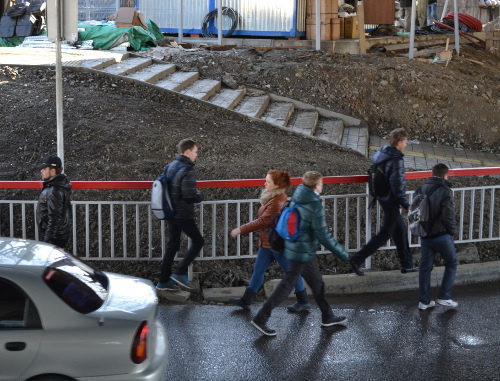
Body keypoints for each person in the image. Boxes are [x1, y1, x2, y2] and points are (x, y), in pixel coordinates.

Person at [251, 171, 349, 336]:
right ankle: (261, 318)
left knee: (317, 284)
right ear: (317, 185)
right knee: (287, 285)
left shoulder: (299, 196)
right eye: (321, 183)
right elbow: (324, 235)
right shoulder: (314, 205)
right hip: (301, 252)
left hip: (295, 247)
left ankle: (327, 316)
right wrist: (344, 254)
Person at [228, 170, 311, 312]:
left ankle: (303, 302)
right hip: (268, 242)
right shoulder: (273, 197)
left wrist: (241, 229)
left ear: (277, 185)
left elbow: (264, 221)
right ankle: (246, 300)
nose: (264, 183)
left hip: (276, 243)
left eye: (268, 182)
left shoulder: (278, 200)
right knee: (258, 271)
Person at [349, 128, 418, 276]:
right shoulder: (396, 160)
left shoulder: (381, 153)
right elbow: (398, 185)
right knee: (385, 234)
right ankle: (356, 259)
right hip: (391, 201)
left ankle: (407, 264)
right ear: (399, 143)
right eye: (405, 142)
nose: (406, 145)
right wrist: (407, 205)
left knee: (400, 231)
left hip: (382, 197)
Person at [156, 139, 204, 292]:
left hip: (170, 211)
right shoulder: (187, 169)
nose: (196, 155)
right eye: (195, 152)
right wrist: (200, 196)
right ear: (188, 152)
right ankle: (180, 273)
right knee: (198, 241)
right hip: (183, 213)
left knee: (173, 245)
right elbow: (189, 195)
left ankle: (163, 281)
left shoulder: (170, 166)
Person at [413, 163, 458, 310]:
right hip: (441, 235)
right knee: (452, 262)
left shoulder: (420, 189)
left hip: (425, 235)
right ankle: (444, 296)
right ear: (445, 175)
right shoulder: (445, 191)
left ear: (432, 174)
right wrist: (452, 231)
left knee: (425, 268)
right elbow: (448, 215)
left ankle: (424, 301)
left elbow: (414, 213)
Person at [36, 154, 72, 249]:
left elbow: (54, 218)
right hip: (56, 237)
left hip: (54, 239)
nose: (41, 171)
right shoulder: (56, 187)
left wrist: (47, 241)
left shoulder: (54, 190)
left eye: (44, 168)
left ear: (52, 171)